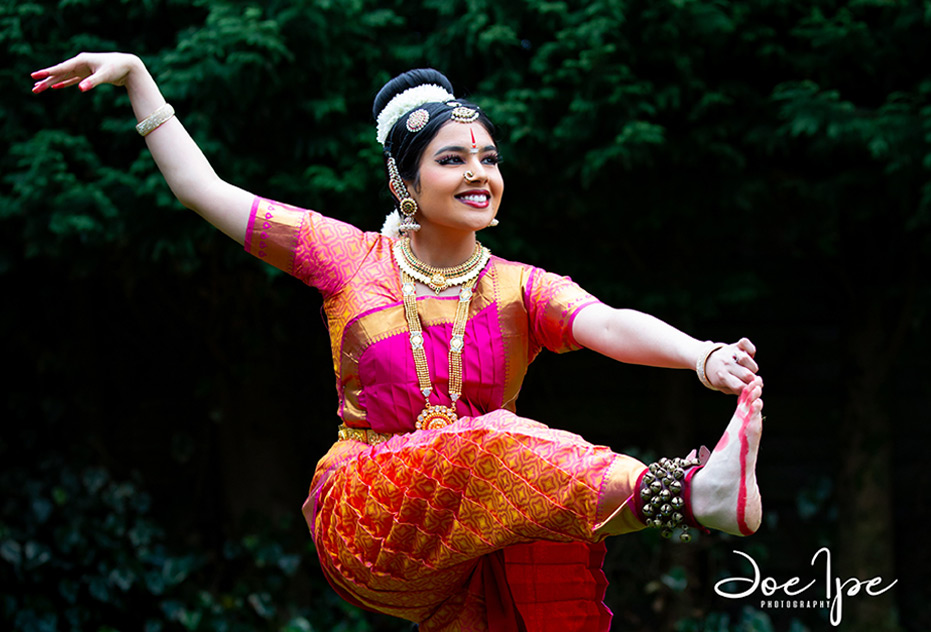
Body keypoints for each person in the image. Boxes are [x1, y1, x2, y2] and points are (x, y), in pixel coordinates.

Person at [31, 53, 765, 631]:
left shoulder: (519, 286)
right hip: (366, 516)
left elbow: (605, 321)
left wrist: (701, 356)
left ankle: (684, 494)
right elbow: (204, 191)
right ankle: (684, 492)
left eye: (488, 158)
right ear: (404, 180)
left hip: (474, 534)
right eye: (452, 159)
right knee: (496, 437)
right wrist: (137, 78)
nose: (478, 173)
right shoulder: (345, 258)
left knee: (540, 518)